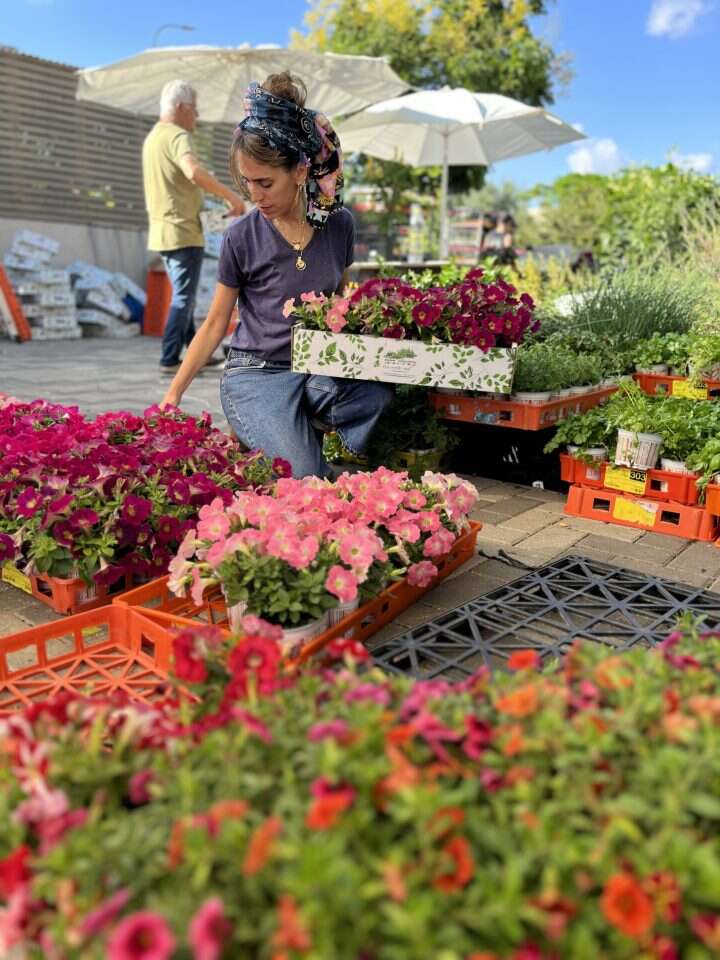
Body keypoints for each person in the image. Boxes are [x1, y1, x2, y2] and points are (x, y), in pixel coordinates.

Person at [160, 72, 393, 478]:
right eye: (247, 182)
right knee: (305, 476)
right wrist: (173, 393)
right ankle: (280, 437)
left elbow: (339, 304)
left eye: (265, 183)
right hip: (256, 372)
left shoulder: (339, 226)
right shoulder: (241, 237)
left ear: (300, 172)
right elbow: (216, 323)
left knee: (376, 392)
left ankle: (298, 429)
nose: (255, 195)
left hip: (316, 371)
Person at [142, 80, 247, 375]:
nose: (196, 117)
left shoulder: (153, 139)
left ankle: (195, 349)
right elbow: (191, 170)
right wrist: (229, 195)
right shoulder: (178, 136)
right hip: (183, 229)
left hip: (162, 230)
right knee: (184, 297)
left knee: (181, 292)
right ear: (180, 108)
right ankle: (170, 357)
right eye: (194, 110)